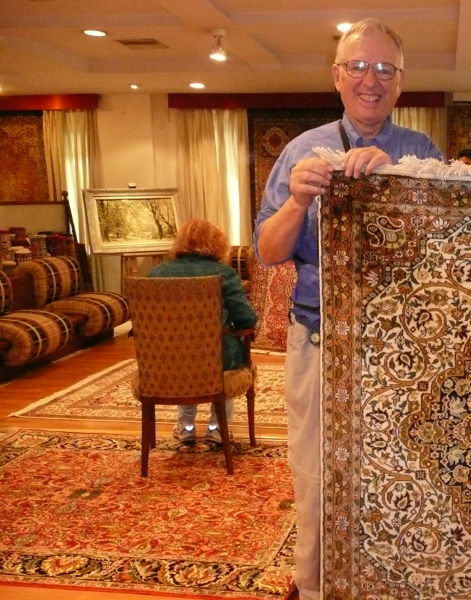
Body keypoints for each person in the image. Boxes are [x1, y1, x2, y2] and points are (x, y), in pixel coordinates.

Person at [253, 18, 443, 600]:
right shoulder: (301, 152)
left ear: (401, 81)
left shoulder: (421, 152)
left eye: (385, 69)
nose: (371, 80)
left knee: (402, 475)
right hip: (319, 340)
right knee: (316, 476)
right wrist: (297, 200)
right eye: (358, 66)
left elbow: (450, 251)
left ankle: (390, 583)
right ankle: (316, 588)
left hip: (403, 351)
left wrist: (400, 185)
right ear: (337, 75)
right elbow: (268, 251)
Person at [150, 218, 258, 446]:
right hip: (216, 359)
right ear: (218, 244)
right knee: (220, 356)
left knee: (184, 358)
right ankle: (217, 429)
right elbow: (246, 318)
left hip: (166, 359)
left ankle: (186, 427)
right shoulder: (224, 274)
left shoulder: (157, 273)